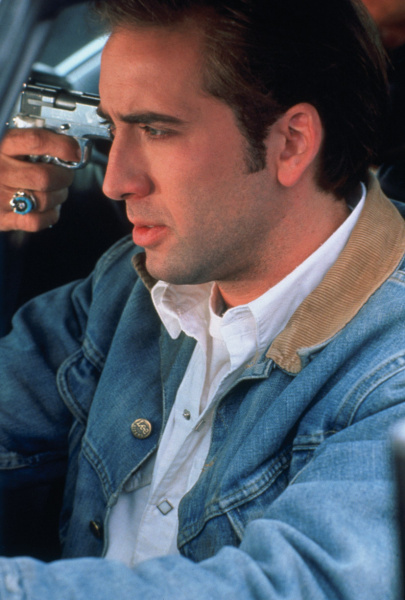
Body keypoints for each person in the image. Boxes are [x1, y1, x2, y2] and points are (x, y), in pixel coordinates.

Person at [0, 0, 404, 598]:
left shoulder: (389, 371)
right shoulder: (134, 286)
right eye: (113, 130)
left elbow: (291, 585)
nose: (115, 181)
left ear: (291, 143)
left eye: (156, 130)